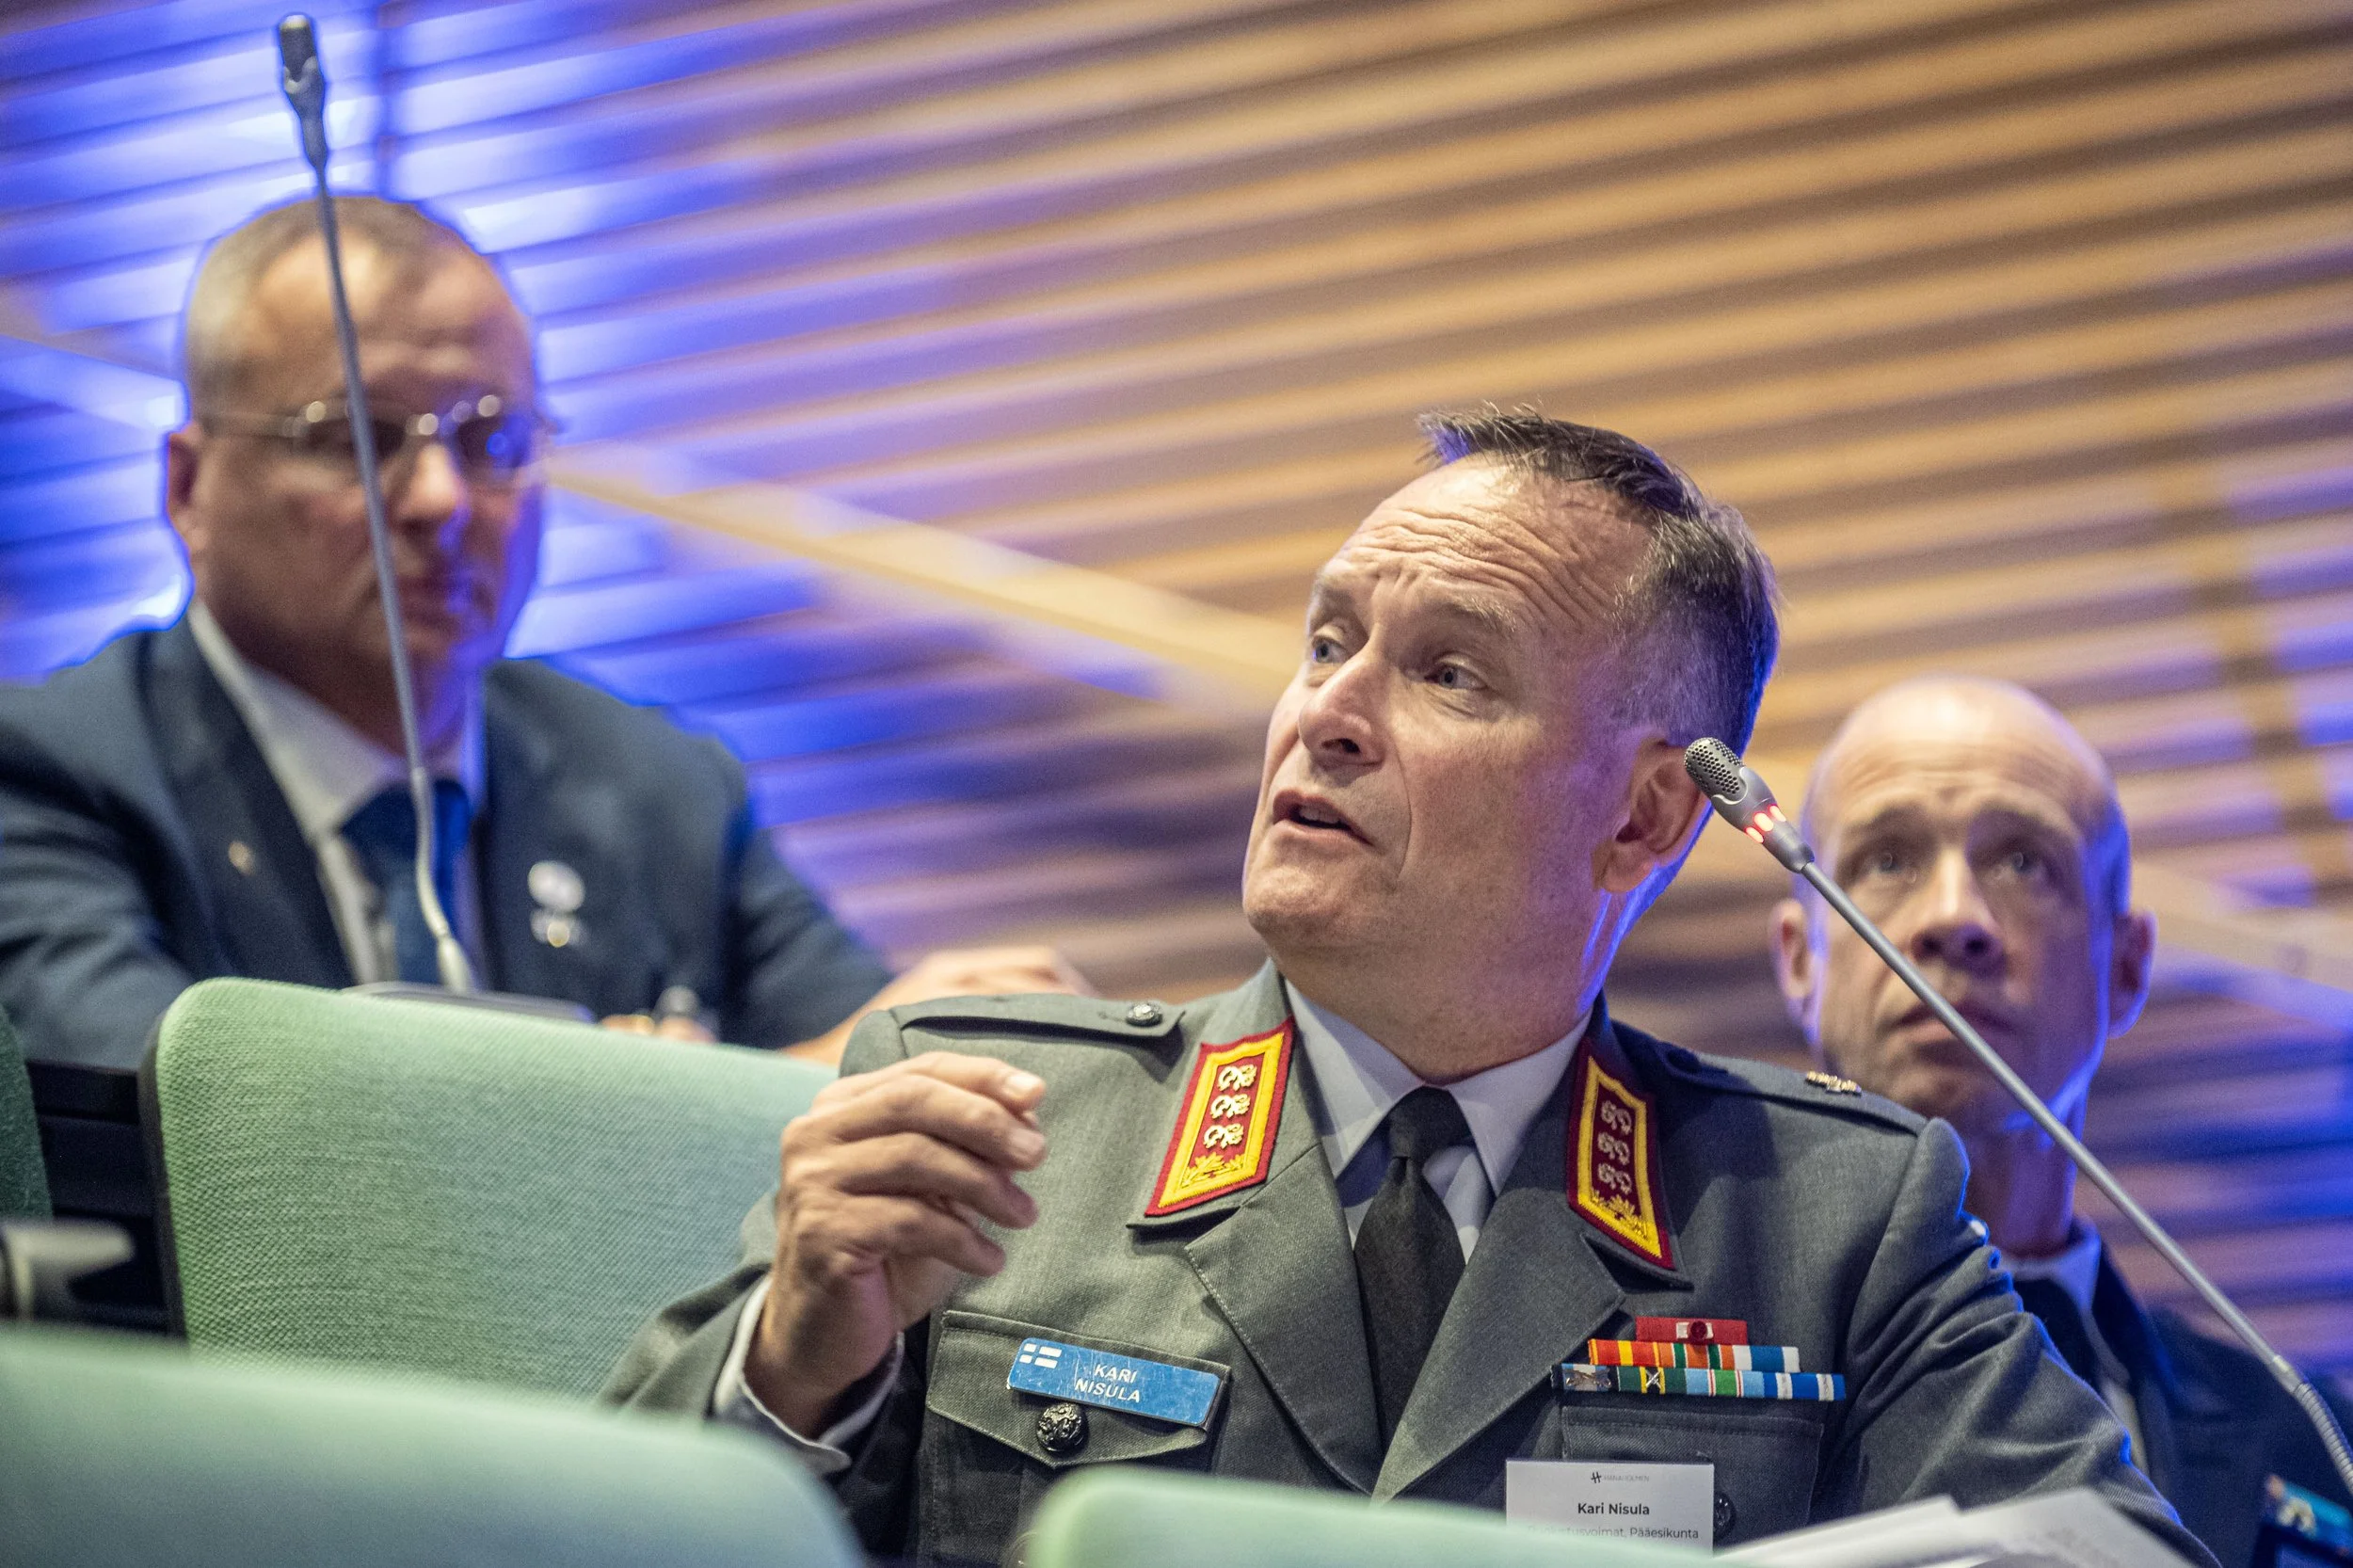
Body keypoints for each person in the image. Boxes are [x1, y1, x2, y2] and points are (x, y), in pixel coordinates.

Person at [608, 411, 2211, 1562]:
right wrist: (794, 1358)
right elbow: (596, 1528)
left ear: (1645, 813)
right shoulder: (982, 1112)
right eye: (1327, 642)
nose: (1328, 714)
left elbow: (2103, 1546)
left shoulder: (1825, 1219)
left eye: (1448, 671)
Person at [0, 196, 1076, 1071]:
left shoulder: (658, 787)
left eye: (491, 438)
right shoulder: (51, 770)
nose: (438, 500)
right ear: (188, 485)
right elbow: (189, 1113)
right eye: (357, 437)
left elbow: (874, 1053)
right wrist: (659, 1103)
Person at [1769, 676, 2353, 1567]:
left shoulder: (2316, 1444)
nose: (1955, 919)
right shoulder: (1640, 1360)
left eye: (2022, 863)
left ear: (2125, 969)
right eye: (1886, 860)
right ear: (1797, 963)